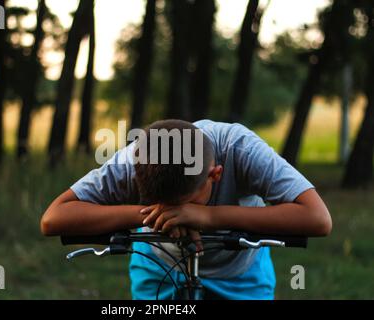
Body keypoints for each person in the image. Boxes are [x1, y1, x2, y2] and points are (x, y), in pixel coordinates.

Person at [40, 119, 332, 300]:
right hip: (159, 268)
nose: (176, 215)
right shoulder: (136, 158)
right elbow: (54, 218)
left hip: (239, 272)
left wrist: (209, 217)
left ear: (214, 175)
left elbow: (317, 218)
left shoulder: (240, 148)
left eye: (185, 205)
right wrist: (146, 216)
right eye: (161, 206)